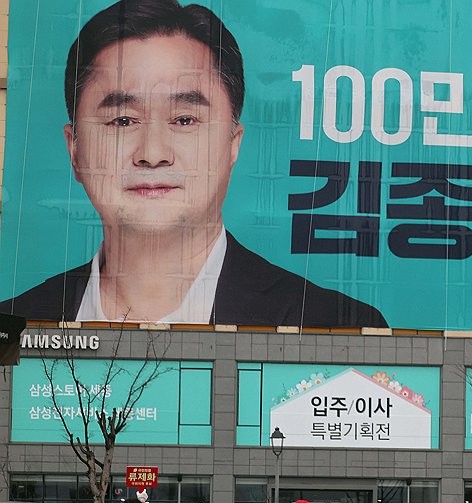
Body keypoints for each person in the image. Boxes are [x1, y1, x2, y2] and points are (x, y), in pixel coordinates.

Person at [0, 0, 385, 328]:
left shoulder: (336, 325)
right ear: (75, 149)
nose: (152, 153)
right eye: (122, 120)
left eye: (184, 120)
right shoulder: (15, 322)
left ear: (233, 144)